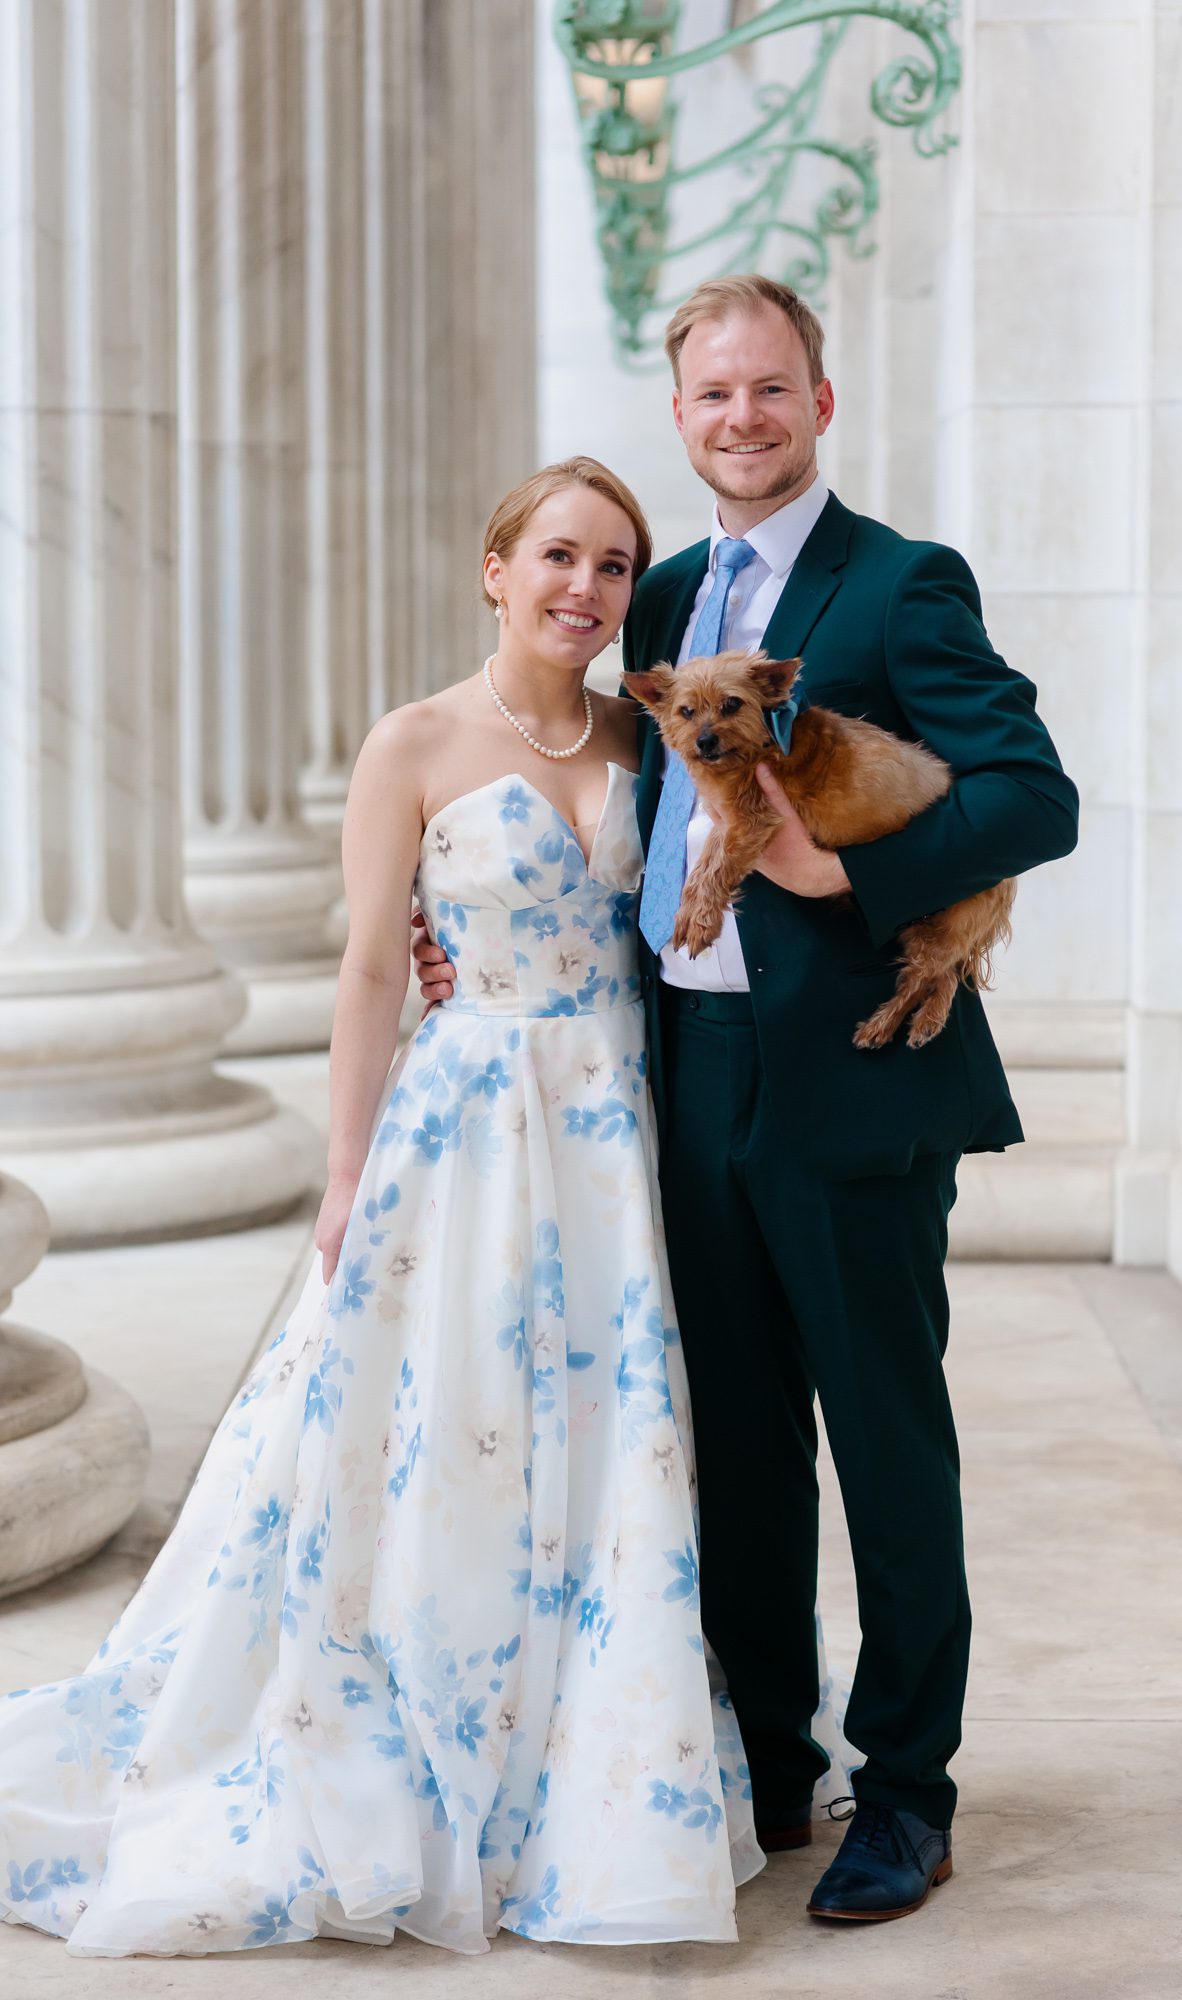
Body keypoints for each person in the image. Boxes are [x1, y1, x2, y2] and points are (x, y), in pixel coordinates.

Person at [0, 456, 851, 1959]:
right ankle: (410, 1741)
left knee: (606, 1437)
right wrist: (341, 1174)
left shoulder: (650, 740)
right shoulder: (414, 744)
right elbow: (373, 968)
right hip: (461, 1129)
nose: (582, 588)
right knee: (439, 1419)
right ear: (495, 568)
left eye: (610, 564)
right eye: (556, 558)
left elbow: (691, 913)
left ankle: (590, 1766)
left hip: (613, 1128)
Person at [415, 278, 1080, 1924]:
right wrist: (456, 926)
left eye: (769, 388)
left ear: (819, 402)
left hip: (854, 1090)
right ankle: (764, 1768)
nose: (742, 417)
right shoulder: (665, 603)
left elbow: (1030, 796)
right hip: (678, 1074)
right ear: (683, 415)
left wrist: (833, 864)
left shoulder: (902, 584)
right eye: (712, 395)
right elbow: (579, 788)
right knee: (734, 1446)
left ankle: (904, 1794)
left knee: (884, 1441)